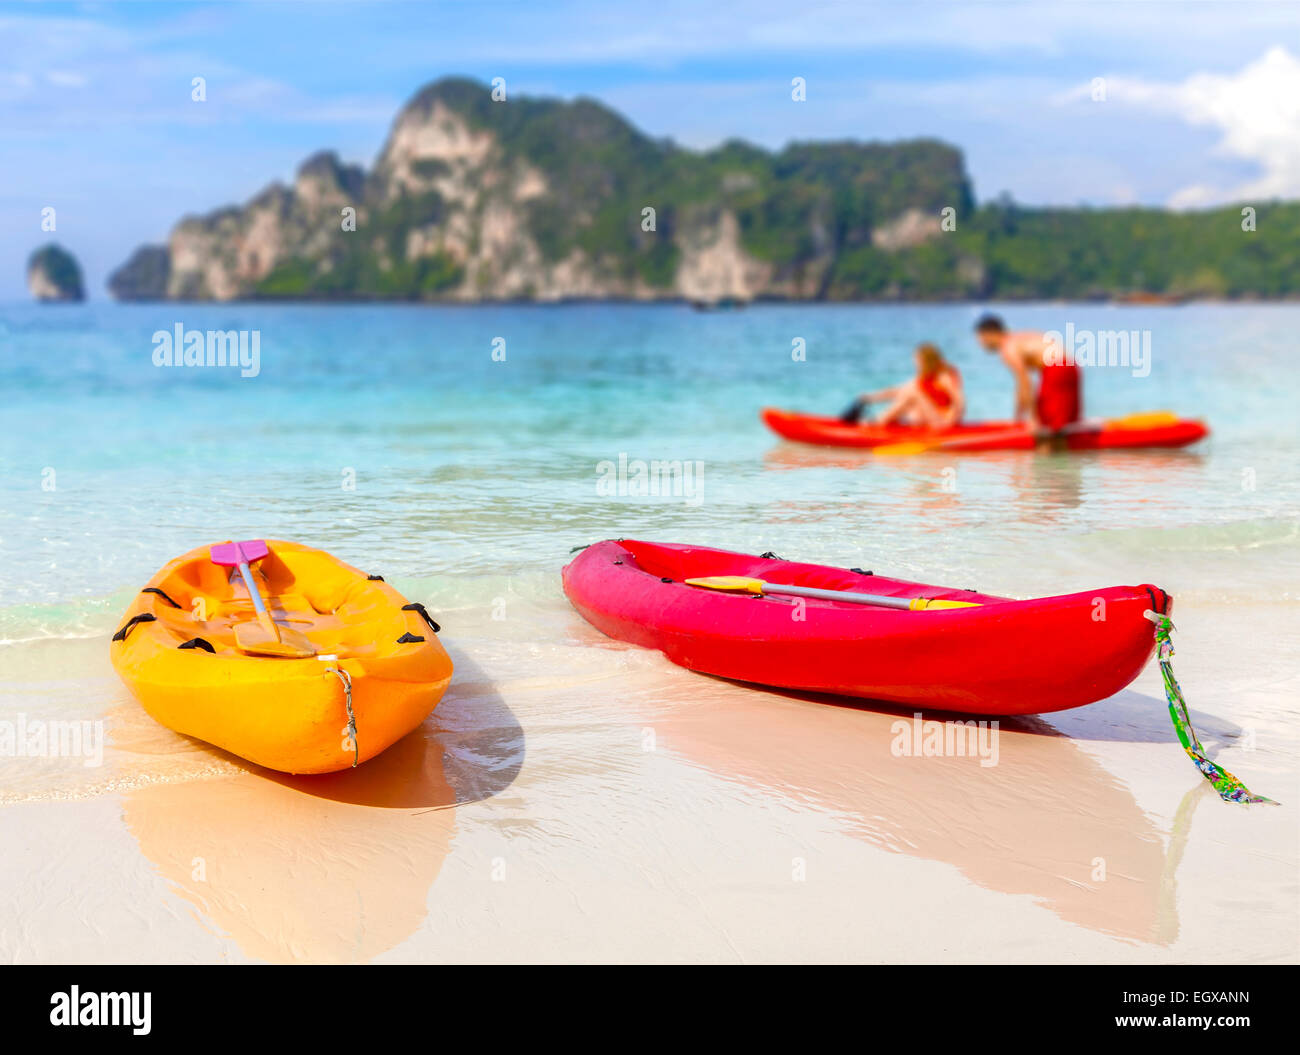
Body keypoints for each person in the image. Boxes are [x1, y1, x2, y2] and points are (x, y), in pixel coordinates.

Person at [973, 313, 1081, 431]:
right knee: (1067, 422)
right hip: (1070, 366)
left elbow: (1026, 383)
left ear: (990, 334)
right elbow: (1021, 387)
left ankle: (1048, 444)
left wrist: (1033, 418)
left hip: (1056, 368)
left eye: (981, 339)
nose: (981, 344)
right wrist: (1018, 418)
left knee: (1049, 425)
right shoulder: (1017, 338)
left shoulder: (1007, 347)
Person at [841, 343, 965, 428]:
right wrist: (870, 398)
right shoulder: (925, 377)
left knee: (914, 392)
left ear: (926, 360)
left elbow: (959, 398)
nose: (915, 363)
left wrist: (953, 421)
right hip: (929, 418)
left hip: (942, 422)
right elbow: (897, 391)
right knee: (909, 394)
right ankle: (883, 422)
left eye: (917, 360)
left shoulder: (943, 375)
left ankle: (877, 423)